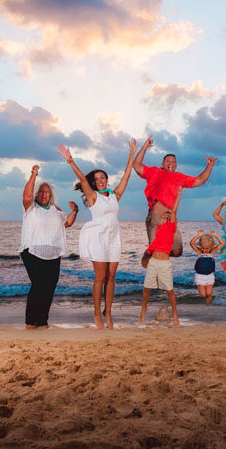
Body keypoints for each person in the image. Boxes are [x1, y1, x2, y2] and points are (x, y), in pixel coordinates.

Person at [57, 139, 137, 329]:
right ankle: (96, 312)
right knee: (100, 277)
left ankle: (108, 312)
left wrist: (132, 153)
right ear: (94, 182)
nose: (101, 181)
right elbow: (82, 180)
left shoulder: (115, 195)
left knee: (112, 277)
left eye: (104, 178)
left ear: (107, 180)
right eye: (98, 179)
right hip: (98, 238)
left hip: (114, 238)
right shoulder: (93, 196)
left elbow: (127, 175)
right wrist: (70, 161)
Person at [132, 136, 217, 260]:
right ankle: (152, 254)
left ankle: (152, 252)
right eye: (168, 161)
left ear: (176, 165)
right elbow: (136, 165)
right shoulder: (155, 172)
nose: (170, 163)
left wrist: (210, 166)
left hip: (171, 220)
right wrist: (145, 147)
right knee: (159, 252)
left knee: (177, 251)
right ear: (162, 163)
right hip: (156, 218)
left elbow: (200, 180)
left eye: (173, 162)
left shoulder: (179, 177)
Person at [20, 165, 78, 330]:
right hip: (32, 250)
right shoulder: (31, 208)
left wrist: (75, 210)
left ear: (50, 195)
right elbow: (26, 195)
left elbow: (67, 223)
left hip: (52, 252)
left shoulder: (54, 209)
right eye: (41, 191)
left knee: (50, 286)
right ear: (37, 194)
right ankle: (30, 322)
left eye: (47, 192)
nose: (44, 194)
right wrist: (33, 174)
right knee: (38, 285)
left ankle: (43, 321)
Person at [139, 188, 185, 327]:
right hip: (153, 262)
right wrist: (146, 256)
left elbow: (174, 211)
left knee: (169, 290)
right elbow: (152, 246)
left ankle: (175, 314)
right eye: (164, 216)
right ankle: (143, 309)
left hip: (164, 264)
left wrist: (178, 195)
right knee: (147, 288)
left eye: (168, 216)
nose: (165, 217)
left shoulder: (171, 227)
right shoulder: (158, 229)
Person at [189, 229, 225, 304]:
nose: (205, 250)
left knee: (209, 293)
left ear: (211, 246)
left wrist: (216, 235)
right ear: (201, 246)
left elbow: (222, 243)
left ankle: (209, 300)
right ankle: (206, 300)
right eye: (203, 248)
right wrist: (198, 236)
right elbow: (191, 243)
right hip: (199, 276)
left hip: (209, 276)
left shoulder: (212, 252)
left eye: (207, 248)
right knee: (202, 295)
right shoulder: (199, 252)